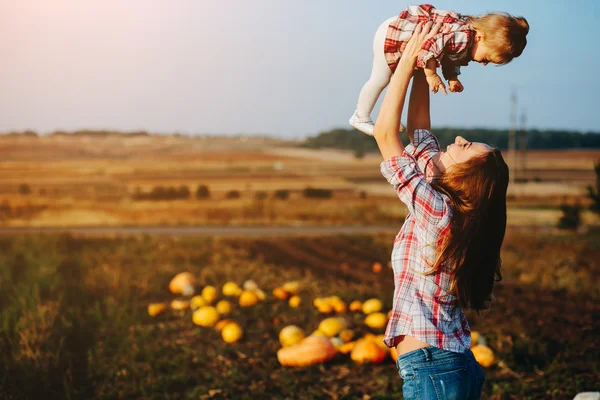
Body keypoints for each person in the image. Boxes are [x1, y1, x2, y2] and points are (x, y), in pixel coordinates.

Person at [373, 21, 510, 399]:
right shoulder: (451, 207)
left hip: (434, 366)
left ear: (466, 179)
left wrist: (401, 66)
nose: (460, 139)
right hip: (447, 362)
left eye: (467, 148)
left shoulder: (439, 213)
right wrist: (421, 64)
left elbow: (387, 134)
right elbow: (419, 130)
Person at [350, 4, 529, 136]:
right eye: (487, 59)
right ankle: (360, 116)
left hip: (398, 32)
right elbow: (431, 45)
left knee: (391, 81)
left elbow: (450, 55)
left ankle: (385, 119)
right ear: (480, 37)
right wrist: (432, 74)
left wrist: (452, 77)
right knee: (380, 78)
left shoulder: (468, 39)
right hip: (394, 33)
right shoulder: (464, 38)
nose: (483, 63)